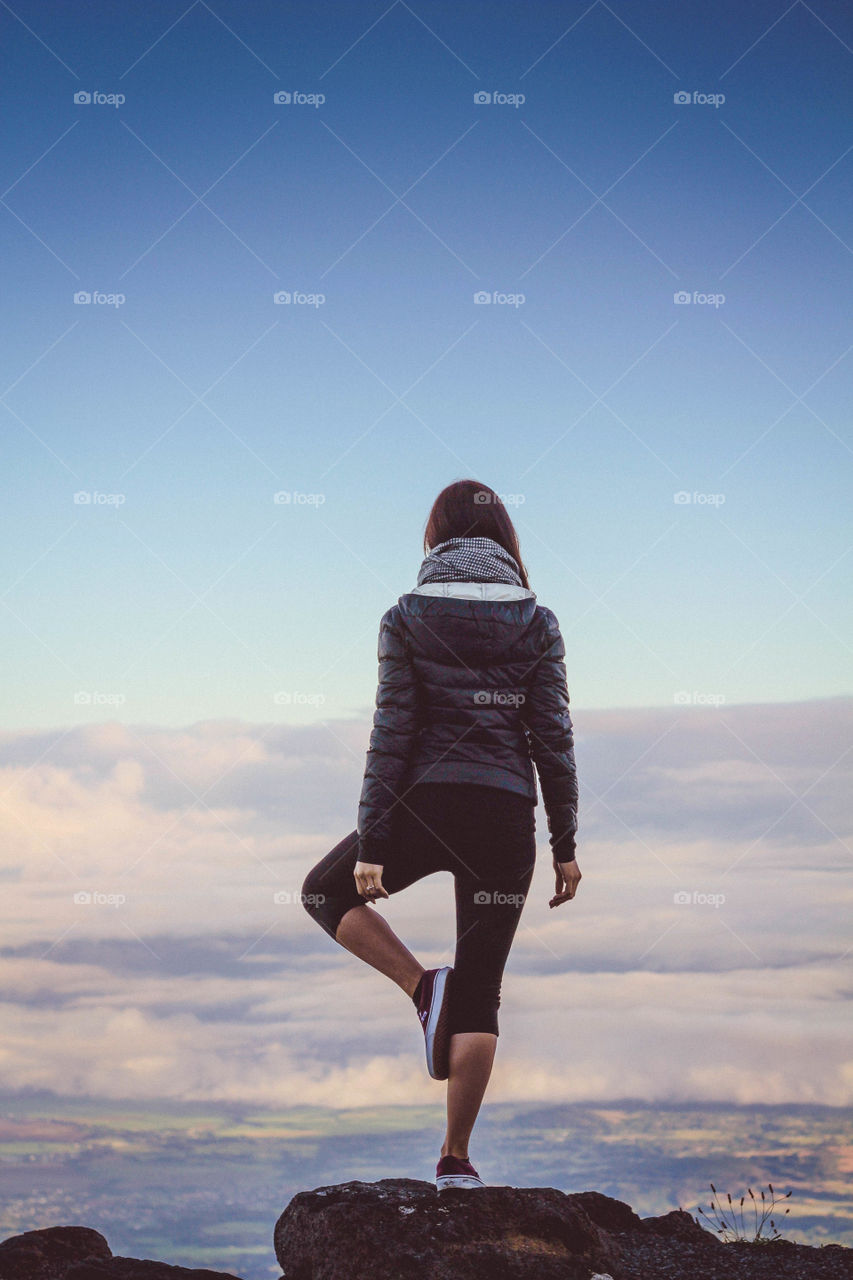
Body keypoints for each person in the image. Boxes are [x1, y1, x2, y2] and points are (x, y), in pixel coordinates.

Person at [302, 478, 581, 1192]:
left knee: (320, 894)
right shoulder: (538, 622)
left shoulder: (404, 617)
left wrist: (372, 841)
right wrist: (565, 846)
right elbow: (552, 739)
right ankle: (455, 1160)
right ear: (505, 542)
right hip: (503, 814)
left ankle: (423, 988)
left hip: (423, 805)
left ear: (436, 536)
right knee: (481, 988)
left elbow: (390, 732)